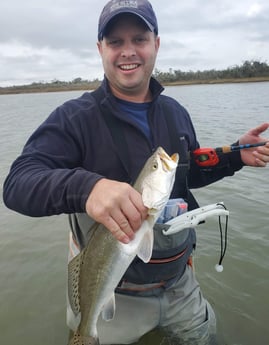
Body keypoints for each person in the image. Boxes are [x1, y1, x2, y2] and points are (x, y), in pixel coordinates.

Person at [3, 0, 269, 344]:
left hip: (179, 285)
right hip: (112, 293)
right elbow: (18, 184)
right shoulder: (73, 118)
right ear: (100, 48)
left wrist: (234, 156)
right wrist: (88, 188)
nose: (128, 51)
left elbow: (183, 176)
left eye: (139, 39)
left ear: (156, 44)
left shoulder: (175, 112)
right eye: (115, 42)